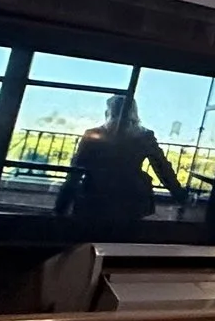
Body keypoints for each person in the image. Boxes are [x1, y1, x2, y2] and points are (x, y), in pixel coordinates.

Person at [55, 93, 186, 227]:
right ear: (134, 113)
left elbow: (75, 171)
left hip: (96, 195)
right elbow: (162, 168)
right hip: (131, 197)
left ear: (108, 112)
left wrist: (61, 206)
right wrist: (179, 195)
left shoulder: (93, 135)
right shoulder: (144, 136)